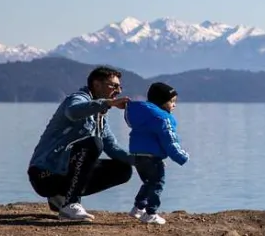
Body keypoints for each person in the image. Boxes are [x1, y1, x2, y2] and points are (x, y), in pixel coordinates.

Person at [27, 65, 134, 222]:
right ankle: (71, 204)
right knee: (93, 144)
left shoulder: (100, 117)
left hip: (62, 174)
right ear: (97, 84)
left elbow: (114, 149)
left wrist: (144, 159)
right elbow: (73, 111)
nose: (118, 91)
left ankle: (61, 197)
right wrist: (109, 103)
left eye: (120, 87)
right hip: (44, 174)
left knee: (123, 169)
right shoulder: (77, 98)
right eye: (114, 86)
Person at [124, 81, 189, 225]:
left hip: (138, 157)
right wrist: (182, 156)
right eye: (171, 101)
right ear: (162, 102)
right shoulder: (163, 119)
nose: (174, 105)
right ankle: (151, 213)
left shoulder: (143, 116)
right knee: (157, 184)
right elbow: (170, 141)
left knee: (149, 183)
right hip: (152, 159)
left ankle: (138, 208)